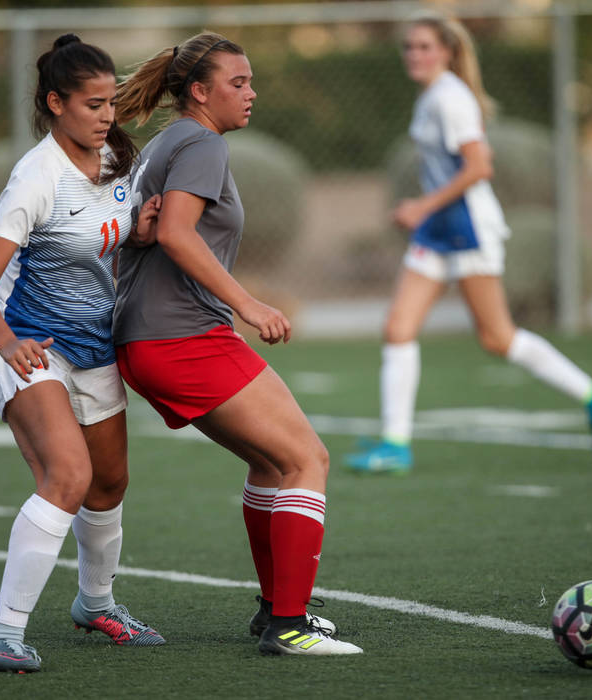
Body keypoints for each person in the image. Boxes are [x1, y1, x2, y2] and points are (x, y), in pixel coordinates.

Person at [110, 32, 362, 656]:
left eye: (251, 82)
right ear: (199, 92)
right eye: (238, 83)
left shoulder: (167, 141)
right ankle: (289, 626)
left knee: (272, 464)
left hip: (149, 337)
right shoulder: (201, 142)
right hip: (181, 336)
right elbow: (176, 233)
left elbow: (145, 233)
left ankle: (276, 610)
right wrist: (248, 303)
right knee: (307, 460)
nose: (251, 93)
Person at [0, 34, 165, 674]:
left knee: (109, 484)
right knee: (68, 477)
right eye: (93, 105)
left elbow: (102, 237)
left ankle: (95, 604)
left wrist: (139, 232)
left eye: (111, 103)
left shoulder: (117, 160)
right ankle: (1, 635)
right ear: (56, 103)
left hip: (93, 342)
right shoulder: (36, 176)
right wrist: (8, 343)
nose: (107, 116)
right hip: (26, 341)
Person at [345, 13, 592, 474]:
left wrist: (421, 206)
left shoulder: (450, 98)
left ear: (448, 52)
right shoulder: (432, 95)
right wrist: (427, 211)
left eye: (425, 47)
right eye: (409, 47)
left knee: (497, 337)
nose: (414, 54)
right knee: (398, 328)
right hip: (438, 229)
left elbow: (479, 166)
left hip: (469, 228)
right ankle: (396, 444)